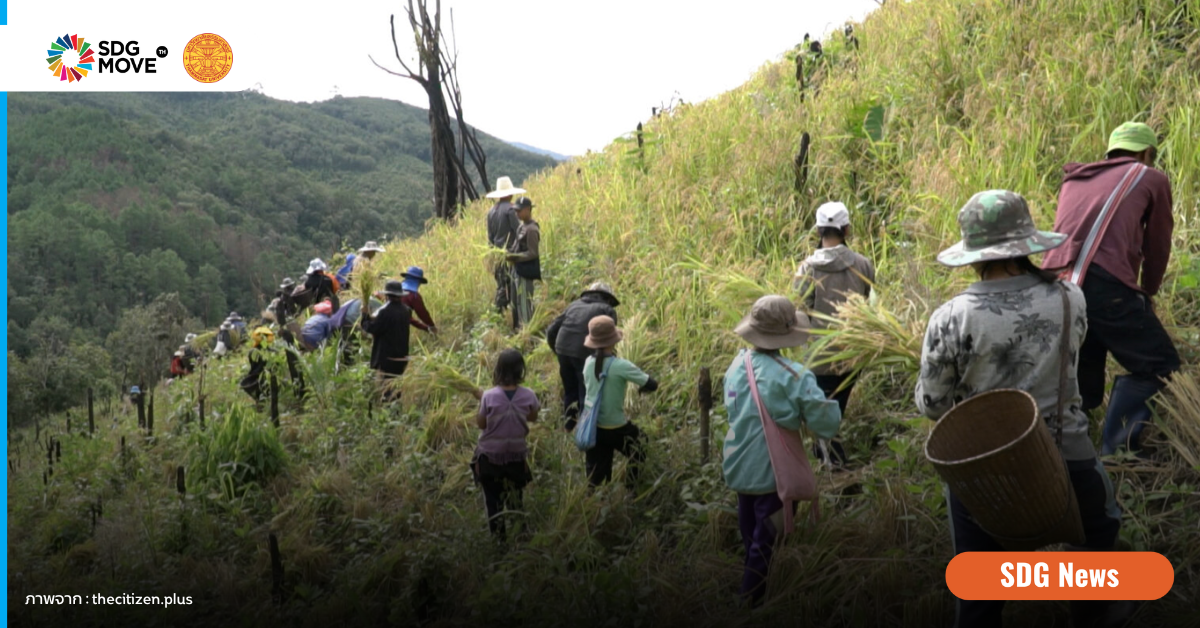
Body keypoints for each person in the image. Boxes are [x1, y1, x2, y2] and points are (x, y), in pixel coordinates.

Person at [916, 190, 1122, 628]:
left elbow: (933, 405)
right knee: (1099, 558)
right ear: (1027, 243)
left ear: (972, 253)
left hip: (988, 474)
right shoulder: (1070, 298)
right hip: (1068, 458)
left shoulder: (951, 317)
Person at [1041, 121, 1179, 456]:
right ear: (1147, 153)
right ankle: (1119, 454)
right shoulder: (1150, 177)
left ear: (1110, 152)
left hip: (1056, 288)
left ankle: (1071, 455)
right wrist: (1147, 292)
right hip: (1105, 285)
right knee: (1160, 365)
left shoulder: (1075, 179)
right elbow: (1158, 244)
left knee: (1084, 373)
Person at [722, 295, 841, 606]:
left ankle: (754, 582)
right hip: (774, 471)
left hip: (739, 463)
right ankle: (749, 601)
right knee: (767, 538)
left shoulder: (737, 364)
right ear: (786, 335)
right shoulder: (794, 375)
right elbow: (825, 424)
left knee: (749, 528)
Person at [793, 201, 875, 467]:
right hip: (853, 353)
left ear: (818, 230)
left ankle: (830, 459)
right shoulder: (863, 265)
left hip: (818, 355)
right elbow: (868, 305)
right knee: (835, 408)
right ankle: (833, 459)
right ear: (847, 230)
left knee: (824, 410)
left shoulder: (807, 268)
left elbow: (801, 310)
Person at [468, 348, 540, 541]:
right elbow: (533, 417)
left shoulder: (489, 396)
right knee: (516, 498)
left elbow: (481, 424)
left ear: (498, 370)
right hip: (516, 457)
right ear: (521, 371)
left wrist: (482, 401)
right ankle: (521, 536)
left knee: (493, 501)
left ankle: (500, 541)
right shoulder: (529, 395)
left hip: (490, 458)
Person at [580, 315, 659, 488]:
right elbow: (652, 385)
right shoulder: (620, 365)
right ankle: (631, 490)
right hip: (616, 427)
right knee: (640, 447)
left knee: (596, 473)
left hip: (594, 426)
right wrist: (641, 388)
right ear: (613, 341)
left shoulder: (587, 363)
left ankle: (594, 503)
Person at [546, 283, 621, 428]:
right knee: (585, 392)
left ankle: (569, 427)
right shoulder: (607, 309)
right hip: (585, 352)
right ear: (609, 298)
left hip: (563, 348)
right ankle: (585, 432)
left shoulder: (574, 305)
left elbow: (551, 330)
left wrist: (557, 350)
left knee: (570, 390)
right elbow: (607, 339)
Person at [361, 279, 414, 403]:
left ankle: (388, 409)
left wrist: (364, 317)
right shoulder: (406, 310)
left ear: (387, 295)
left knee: (386, 385)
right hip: (402, 354)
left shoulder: (385, 312)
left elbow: (373, 328)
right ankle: (396, 408)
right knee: (397, 383)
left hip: (387, 355)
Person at [485, 176, 526, 313]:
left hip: (496, 254)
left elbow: (490, 237)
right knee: (508, 286)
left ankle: (501, 315)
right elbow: (519, 230)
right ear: (510, 193)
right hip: (509, 253)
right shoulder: (511, 210)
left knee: (501, 284)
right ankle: (499, 314)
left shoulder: (491, 212)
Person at [506, 196, 541, 331]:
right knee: (516, 302)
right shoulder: (521, 227)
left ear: (528, 210)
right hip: (517, 270)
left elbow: (533, 253)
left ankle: (527, 331)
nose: (517, 214)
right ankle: (518, 329)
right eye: (515, 211)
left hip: (525, 271)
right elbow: (516, 246)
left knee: (524, 303)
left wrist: (515, 257)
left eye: (519, 211)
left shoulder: (532, 229)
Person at [240, 326, 276, 403]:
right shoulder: (273, 352)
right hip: (268, 378)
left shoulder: (252, 351)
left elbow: (253, 365)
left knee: (259, 398)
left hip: (255, 377)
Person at [399, 266, 438, 334]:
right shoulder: (414, 296)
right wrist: (431, 325)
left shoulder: (393, 291)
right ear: (418, 282)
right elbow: (422, 314)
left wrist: (425, 328)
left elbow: (408, 318)